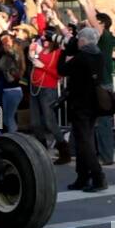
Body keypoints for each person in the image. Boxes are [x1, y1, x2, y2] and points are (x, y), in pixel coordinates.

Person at [57, 27, 108, 193]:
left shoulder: (82, 57)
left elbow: (61, 69)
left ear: (84, 41)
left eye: (79, 40)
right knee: (82, 141)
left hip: (81, 104)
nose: (77, 42)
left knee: (85, 143)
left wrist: (64, 51)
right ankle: (82, 177)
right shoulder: (98, 55)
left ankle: (98, 177)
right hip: (93, 104)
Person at [77, 0, 115, 166]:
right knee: (93, 123)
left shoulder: (105, 37)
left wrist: (85, 4)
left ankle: (106, 156)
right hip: (96, 85)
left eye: (97, 24)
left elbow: (94, 21)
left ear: (103, 25)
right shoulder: (95, 40)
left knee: (104, 123)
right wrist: (88, 2)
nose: (92, 25)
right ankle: (96, 154)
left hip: (104, 85)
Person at [28, 30, 69, 162]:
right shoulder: (41, 51)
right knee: (35, 122)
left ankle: (64, 151)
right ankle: (42, 150)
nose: (44, 40)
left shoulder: (58, 53)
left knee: (49, 121)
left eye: (47, 38)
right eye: (43, 38)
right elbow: (34, 61)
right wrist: (31, 55)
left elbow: (59, 74)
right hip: (34, 87)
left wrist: (43, 66)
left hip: (47, 89)